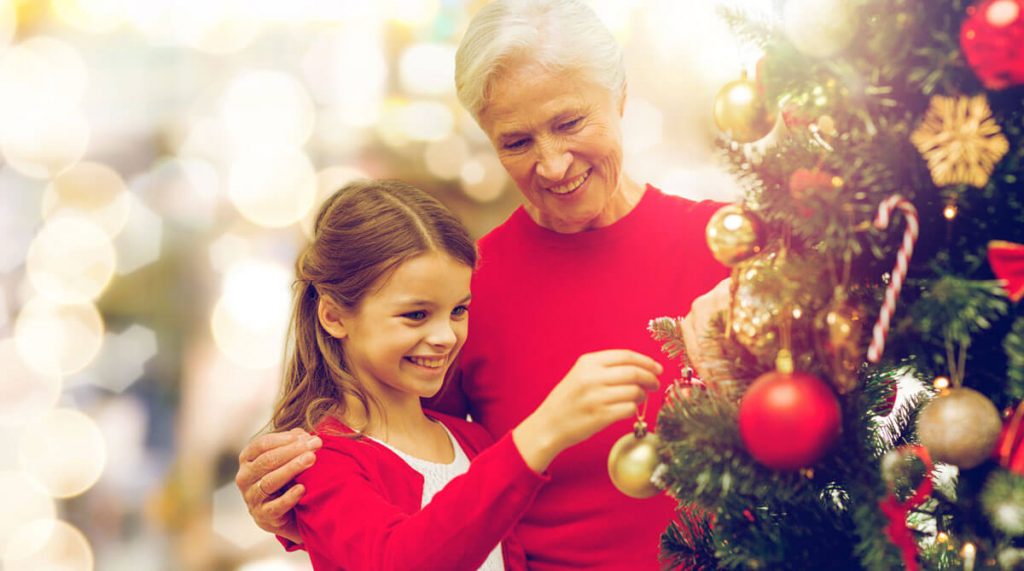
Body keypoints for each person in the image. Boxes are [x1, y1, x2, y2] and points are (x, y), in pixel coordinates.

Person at [236, 1, 733, 568]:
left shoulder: (729, 245)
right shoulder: (464, 291)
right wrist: (295, 505)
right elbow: (409, 463)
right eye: (516, 142)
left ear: (619, 97)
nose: (551, 165)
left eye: (570, 123)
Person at [272, 179, 663, 570]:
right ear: (334, 317)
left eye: (458, 311)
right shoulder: (319, 461)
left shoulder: (472, 441)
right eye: (416, 315)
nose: (445, 336)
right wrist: (541, 433)